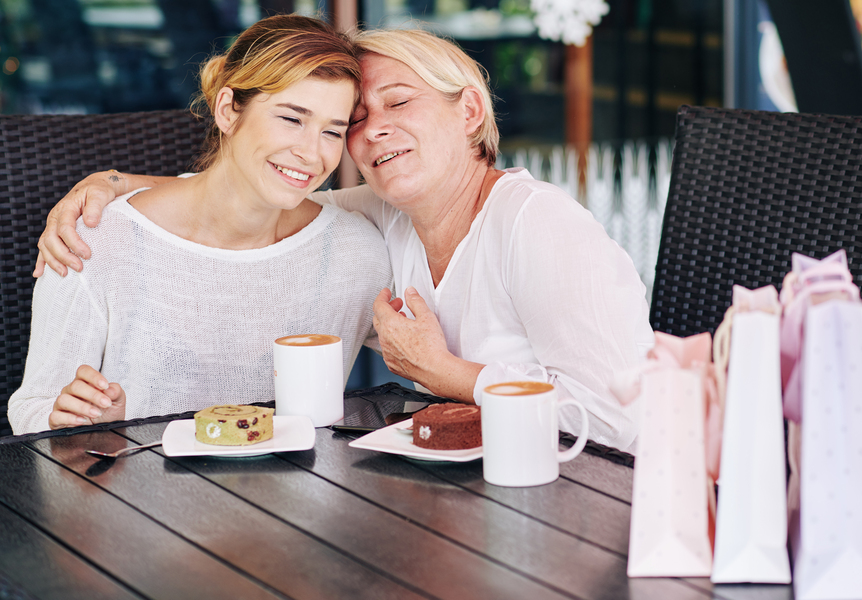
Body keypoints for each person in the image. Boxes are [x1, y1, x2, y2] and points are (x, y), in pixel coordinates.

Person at [34, 28, 654, 452]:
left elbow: (622, 422)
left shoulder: (534, 226)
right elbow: (258, 197)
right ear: (227, 109)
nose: (372, 132)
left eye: (398, 102)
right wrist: (114, 186)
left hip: (578, 495)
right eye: (356, 121)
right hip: (453, 493)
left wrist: (445, 373)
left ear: (469, 112)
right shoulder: (388, 217)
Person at [9, 15, 392, 434]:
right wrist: (75, 419)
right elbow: (31, 408)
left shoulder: (356, 253)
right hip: (143, 493)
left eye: (332, 132)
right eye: (292, 118)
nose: (310, 152)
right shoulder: (96, 243)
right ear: (228, 110)